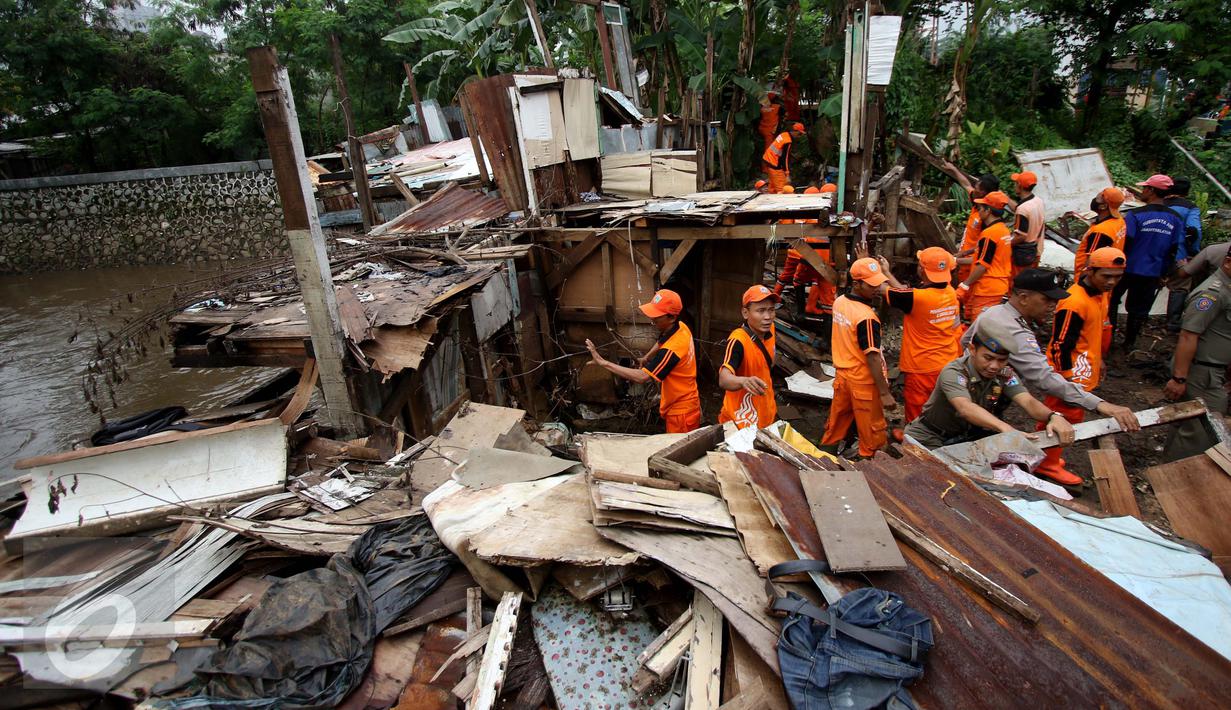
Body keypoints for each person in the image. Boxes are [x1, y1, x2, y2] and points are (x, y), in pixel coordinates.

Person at [961, 269, 1141, 474]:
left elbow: (965, 341)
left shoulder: (994, 311)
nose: (1052, 306)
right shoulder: (1014, 331)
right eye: (1046, 299)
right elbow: (1044, 379)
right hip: (976, 403)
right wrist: (1101, 404)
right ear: (1023, 298)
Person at [904, 319, 1075, 449]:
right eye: (988, 358)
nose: (994, 366)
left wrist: (1053, 416)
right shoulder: (955, 371)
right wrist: (1005, 429)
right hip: (928, 438)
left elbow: (1027, 401)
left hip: (963, 440)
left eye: (1002, 360)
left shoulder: (1004, 374)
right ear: (972, 350)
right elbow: (965, 408)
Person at [1035, 248, 1126, 484]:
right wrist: (1067, 380)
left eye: (1117, 276)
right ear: (1090, 271)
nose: (1112, 282)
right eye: (1106, 276)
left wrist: (1099, 359)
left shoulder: (1100, 294)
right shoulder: (1073, 302)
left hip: (1084, 368)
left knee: (1072, 417)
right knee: (1061, 416)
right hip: (1069, 373)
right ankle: (1046, 464)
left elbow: (1093, 332)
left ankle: (1048, 458)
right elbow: (1060, 345)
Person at [586, 289, 701, 433]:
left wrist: (603, 363)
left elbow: (642, 377)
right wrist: (646, 357)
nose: (652, 320)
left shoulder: (672, 349)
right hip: (684, 402)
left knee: (680, 452)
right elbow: (662, 341)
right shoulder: (681, 327)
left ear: (671, 318)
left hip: (681, 413)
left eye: (656, 317)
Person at [820, 258, 896, 459]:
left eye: (878, 282)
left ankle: (824, 460)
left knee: (836, 424)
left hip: (842, 377)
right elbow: (872, 357)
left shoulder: (840, 302)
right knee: (872, 432)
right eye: (871, 285)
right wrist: (884, 393)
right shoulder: (867, 318)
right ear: (857, 284)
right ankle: (871, 467)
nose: (877, 288)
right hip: (863, 383)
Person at [876, 247, 961, 425]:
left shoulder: (917, 298)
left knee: (916, 407)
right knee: (940, 405)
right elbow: (903, 293)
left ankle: (913, 442)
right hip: (947, 360)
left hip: (922, 366)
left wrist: (873, 269)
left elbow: (882, 289)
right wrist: (887, 271)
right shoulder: (950, 293)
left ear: (922, 270)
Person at [1162, 249, 1231, 461]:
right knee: (1202, 429)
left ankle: (1170, 470)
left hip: (1212, 371)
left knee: (1187, 421)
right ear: (1228, 262)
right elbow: (1188, 336)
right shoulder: (1212, 293)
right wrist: (1179, 378)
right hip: (1200, 372)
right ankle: (1182, 477)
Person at [1109, 174, 1186, 351]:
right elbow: (1174, 248)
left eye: (1145, 188)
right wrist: (1165, 273)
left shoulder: (1135, 215)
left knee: (1112, 300)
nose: (1142, 191)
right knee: (1139, 309)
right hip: (1153, 271)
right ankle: (1129, 344)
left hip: (1126, 268)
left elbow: (1125, 241)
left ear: (1151, 191)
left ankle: (1109, 337)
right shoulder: (1175, 218)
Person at [719, 285, 780, 430]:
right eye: (760, 311)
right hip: (741, 421)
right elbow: (724, 378)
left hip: (766, 413)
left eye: (771, 310)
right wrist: (743, 381)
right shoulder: (738, 340)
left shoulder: (770, 328)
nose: (767, 317)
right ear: (745, 313)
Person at [956, 191, 1013, 321]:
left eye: (980, 208)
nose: (978, 211)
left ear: (988, 211)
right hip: (998, 284)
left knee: (980, 327)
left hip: (987, 288)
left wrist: (964, 285)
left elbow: (982, 265)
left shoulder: (989, 234)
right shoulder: (1003, 229)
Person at [1163, 177, 1205, 332]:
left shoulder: (1158, 204)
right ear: (1187, 192)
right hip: (1177, 254)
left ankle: (1139, 319)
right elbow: (1194, 230)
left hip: (1152, 255)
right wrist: (1194, 251)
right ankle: (1172, 322)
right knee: (1180, 286)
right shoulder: (1190, 208)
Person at [946, 171, 1001, 284]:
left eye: (977, 188)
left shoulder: (987, 222)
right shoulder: (977, 203)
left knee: (966, 288)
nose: (973, 190)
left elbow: (982, 255)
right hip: (965, 259)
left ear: (984, 193)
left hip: (971, 264)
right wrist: (954, 169)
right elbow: (966, 184)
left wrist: (957, 259)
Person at [1074, 187, 1126, 275]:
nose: (1094, 200)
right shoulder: (1119, 221)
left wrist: (1081, 283)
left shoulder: (1100, 232)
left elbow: (1091, 262)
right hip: (1106, 274)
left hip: (1090, 281)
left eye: (1098, 199)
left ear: (1103, 206)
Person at [1009, 171, 1046, 279]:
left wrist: (1005, 244)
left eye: (1016, 183)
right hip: (1036, 250)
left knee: (1018, 284)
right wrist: (1006, 199)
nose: (1014, 185)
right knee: (1029, 282)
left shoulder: (1023, 209)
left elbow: (1021, 236)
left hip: (1023, 254)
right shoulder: (1038, 201)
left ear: (1019, 186)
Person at [762, 122, 806, 194]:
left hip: (768, 159)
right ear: (794, 132)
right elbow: (785, 159)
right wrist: (787, 174)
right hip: (774, 163)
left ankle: (770, 198)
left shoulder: (783, 134)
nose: (799, 136)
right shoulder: (787, 141)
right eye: (799, 134)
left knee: (773, 186)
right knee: (782, 188)